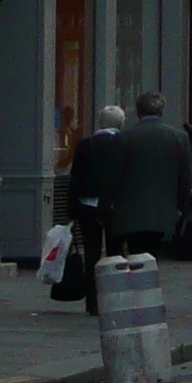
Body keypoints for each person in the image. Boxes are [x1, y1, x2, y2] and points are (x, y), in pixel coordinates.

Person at [107, 91, 192, 260]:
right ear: (161, 112)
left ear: (138, 112)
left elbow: (113, 176)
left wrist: (107, 209)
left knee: (136, 254)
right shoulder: (179, 138)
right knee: (152, 255)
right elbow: (185, 179)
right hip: (163, 212)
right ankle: (148, 283)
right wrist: (182, 208)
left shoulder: (123, 138)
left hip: (129, 214)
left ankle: (139, 284)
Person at [64, 104, 128, 313]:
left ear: (100, 122)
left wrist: (71, 209)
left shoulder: (85, 145)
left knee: (91, 252)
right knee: (115, 252)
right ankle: (114, 298)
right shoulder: (124, 144)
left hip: (87, 205)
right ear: (121, 123)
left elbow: (75, 178)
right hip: (115, 206)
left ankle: (92, 302)